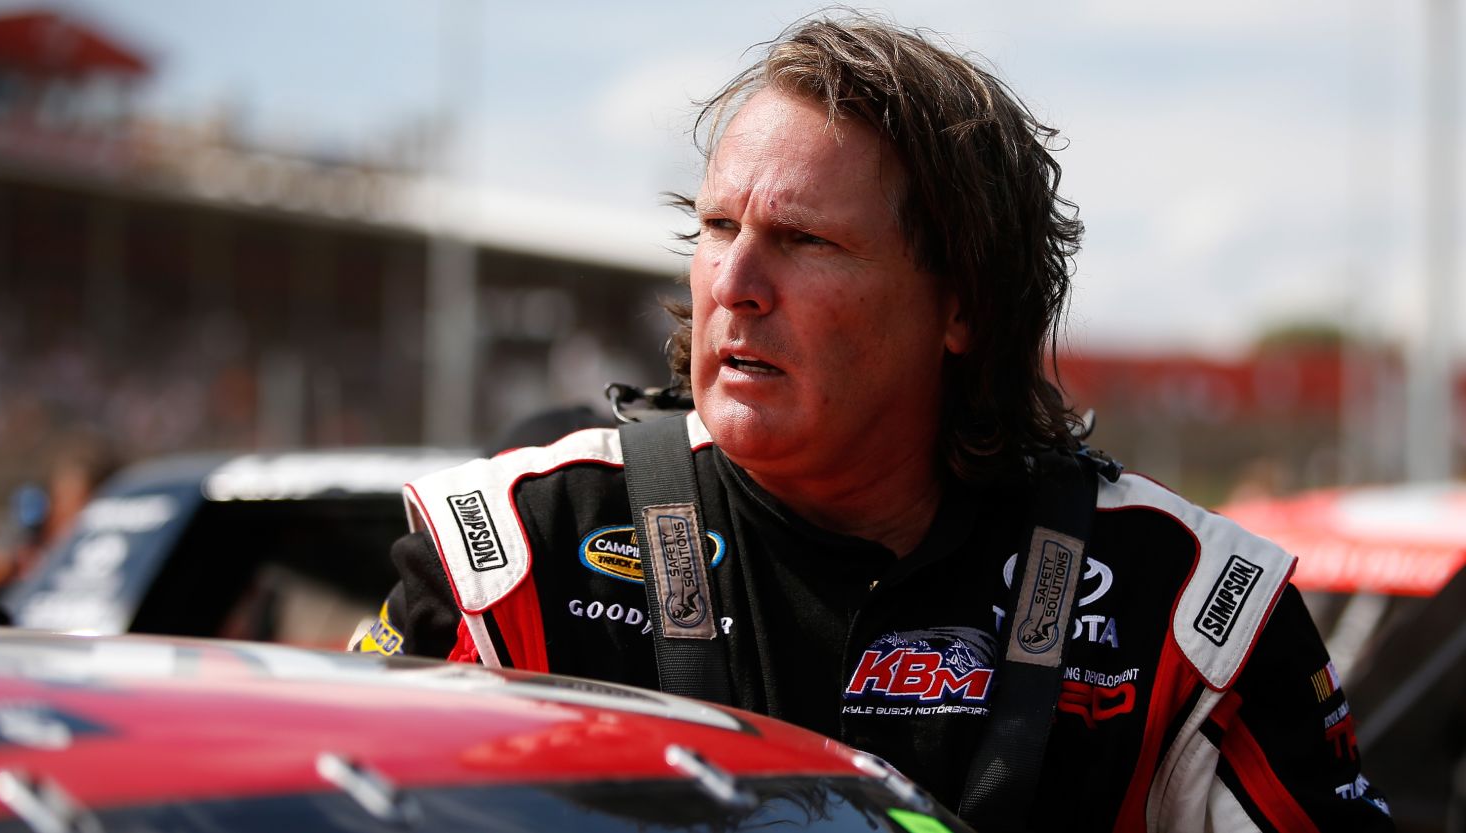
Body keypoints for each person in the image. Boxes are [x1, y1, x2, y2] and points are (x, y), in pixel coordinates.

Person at [360, 13, 1392, 831]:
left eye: (805, 240)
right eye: (717, 226)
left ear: (962, 306)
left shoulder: (1186, 603)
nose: (736, 281)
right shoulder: (516, 556)